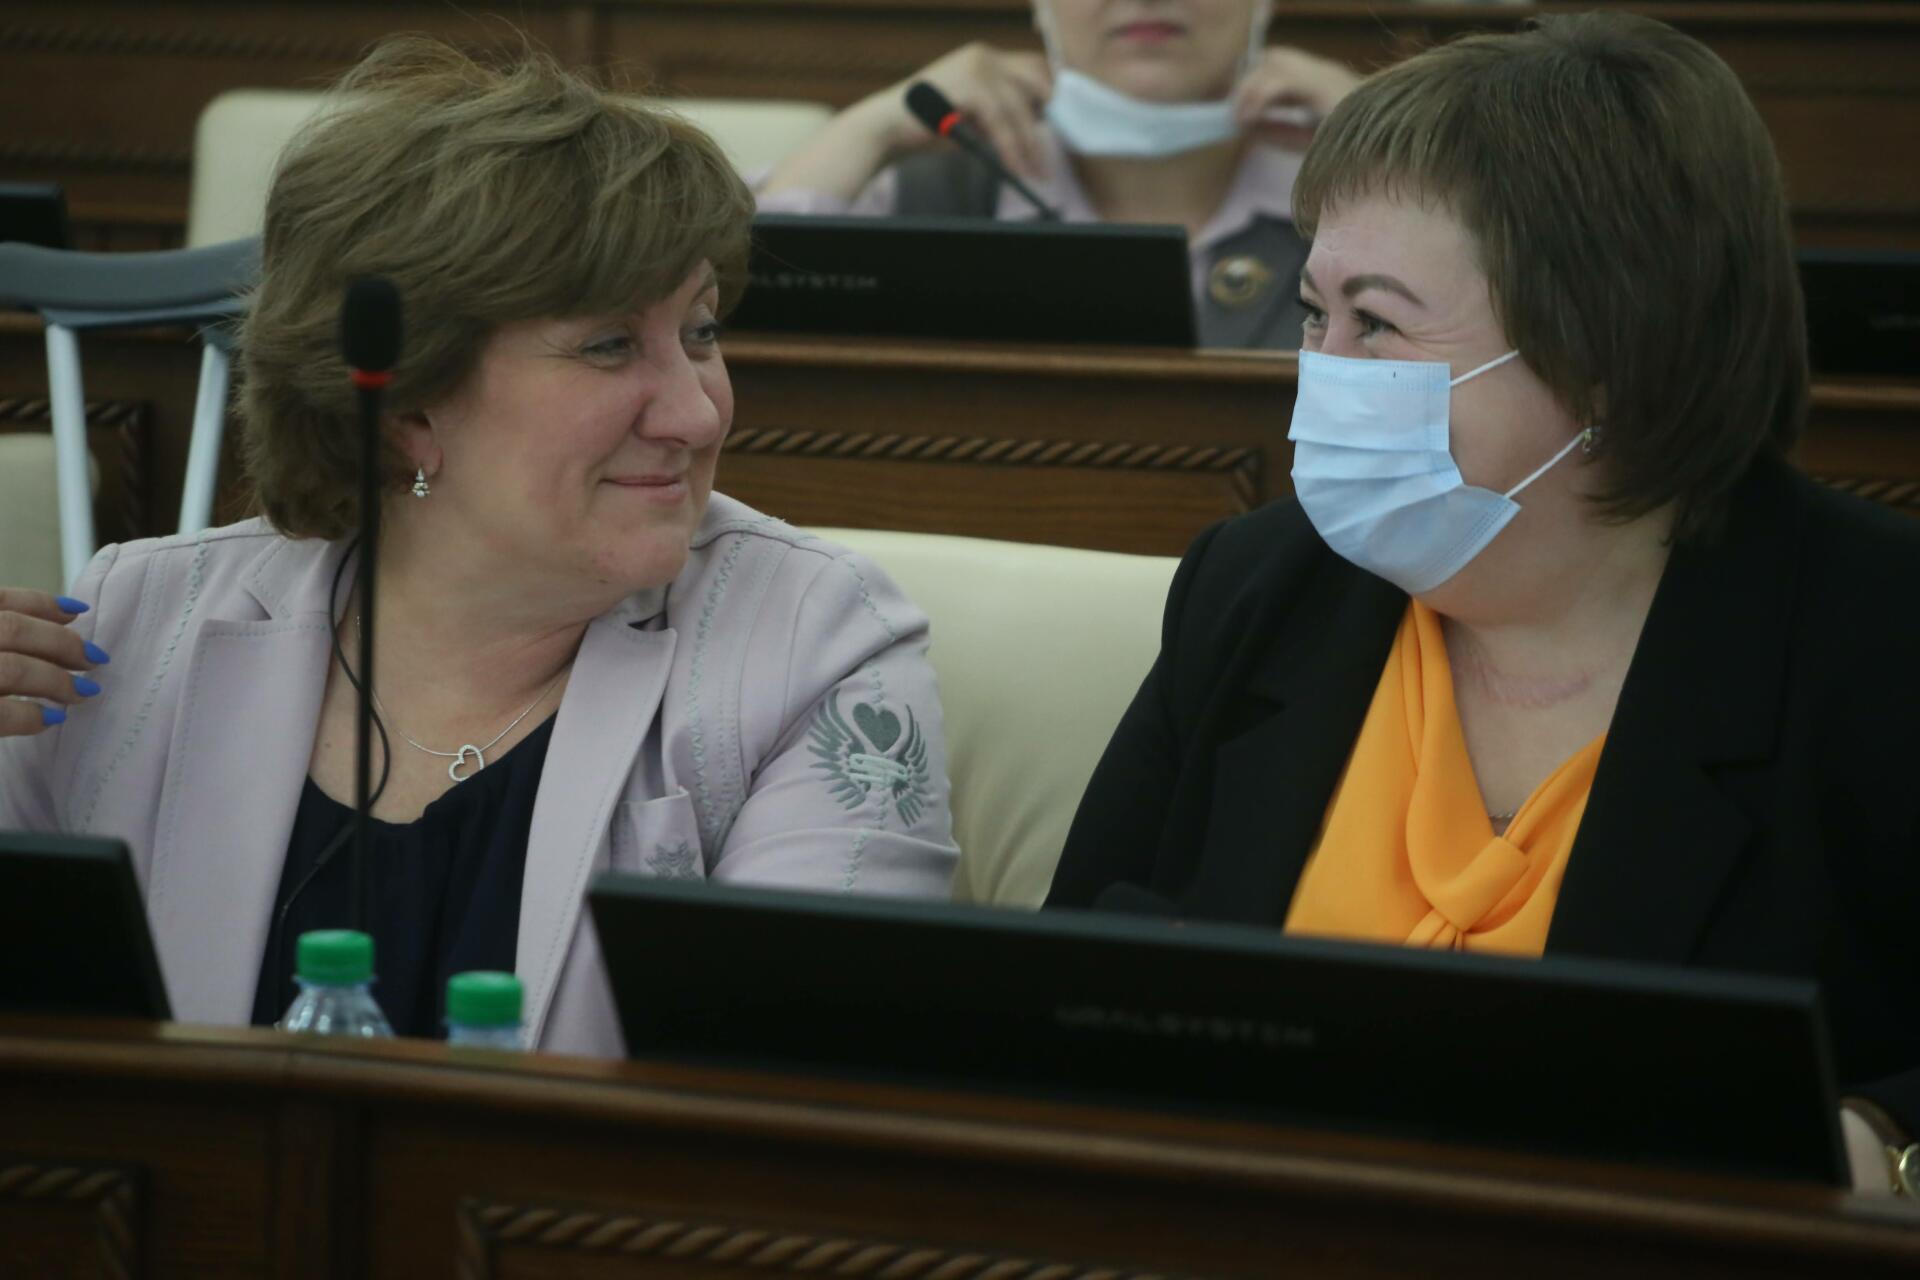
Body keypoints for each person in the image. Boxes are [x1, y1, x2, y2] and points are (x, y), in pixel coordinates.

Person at [1045, 13, 1920, 1193]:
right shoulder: (1260, 585)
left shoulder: (1879, 637)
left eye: (1379, 322)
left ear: (1607, 357)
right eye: (1314, 314)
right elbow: (1069, 977)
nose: (1323, 374)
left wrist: (1883, 1144)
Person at [0, 37, 959, 1057]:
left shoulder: (813, 645)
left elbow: (795, 1091)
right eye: (609, 345)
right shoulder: (132, 632)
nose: (696, 413)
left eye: (702, 332)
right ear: (408, 404)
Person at [757, 0, 1360, 349]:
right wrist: (875, 126)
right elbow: (743, 303)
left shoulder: (1356, 189)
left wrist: (1384, 135)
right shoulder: (934, 186)